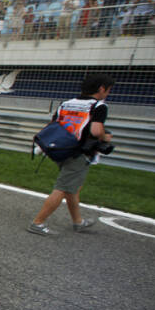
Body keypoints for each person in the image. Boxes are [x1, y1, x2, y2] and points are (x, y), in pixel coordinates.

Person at [28, 74, 115, 235]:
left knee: (72, 188)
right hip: (79, 152)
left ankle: (78, 222)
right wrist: (105, 137)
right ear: (101, 88)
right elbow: (96, 131)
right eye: (109, 90)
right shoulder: (99, 106)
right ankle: (38, 222)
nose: (108, 93)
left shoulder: (67, 103)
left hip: (60, 148)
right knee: (63, 187)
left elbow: (53, 124)